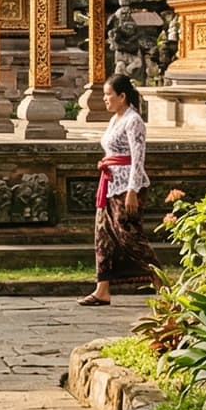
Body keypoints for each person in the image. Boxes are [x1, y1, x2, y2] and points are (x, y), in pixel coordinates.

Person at [79, 73, 150, 306]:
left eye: (109, 95)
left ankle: (164, 287)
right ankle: (102, 289)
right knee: (103, 236)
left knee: (131, 238)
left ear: (122, 96)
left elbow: (138, 158)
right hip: (109, 184)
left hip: (127, 186)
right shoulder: (115, 119)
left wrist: (132, 190)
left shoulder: (133, 121)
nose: (105, 99)